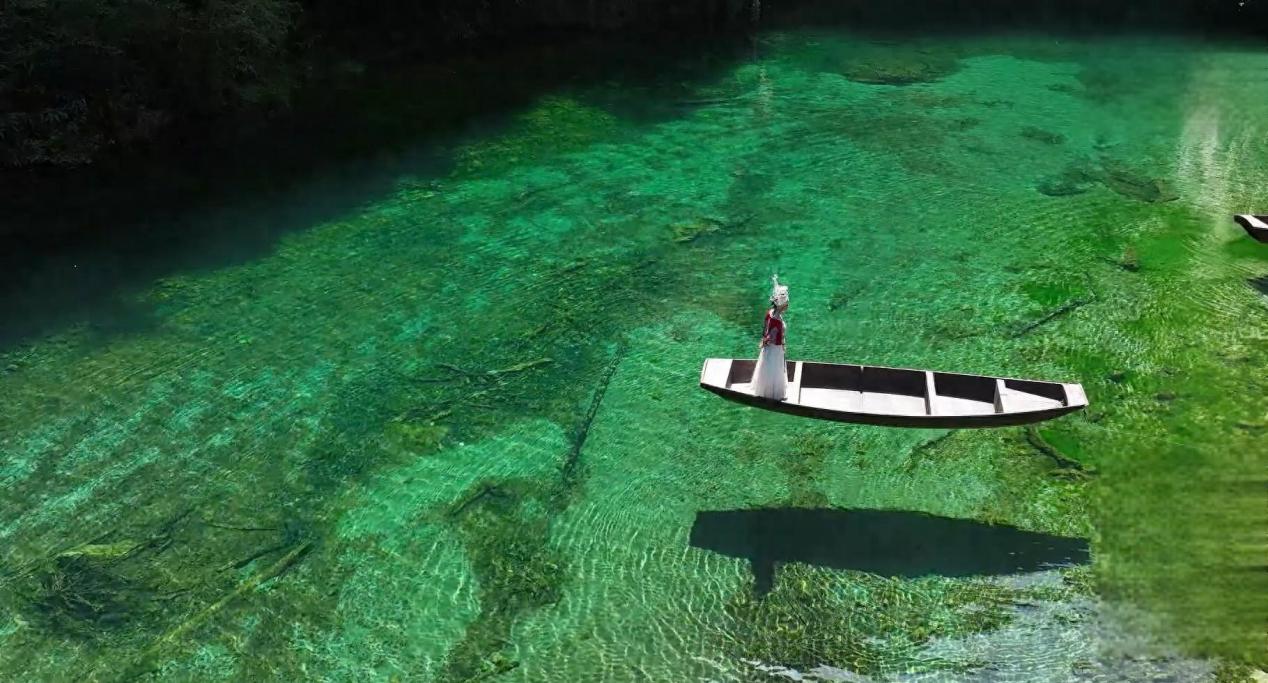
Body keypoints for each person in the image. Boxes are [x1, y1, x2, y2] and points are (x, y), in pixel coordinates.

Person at [752, 274, 789, 400]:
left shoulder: (770, 313)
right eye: (786, 303)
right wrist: (783, 345)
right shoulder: (778, 320)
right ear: (781, 305)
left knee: (766, 368)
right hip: (775, 349)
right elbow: (774, 337)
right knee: (775, 370)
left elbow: (765, 329)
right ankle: (774, 394)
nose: (787, 305)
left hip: (768, 348)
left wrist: (764, 340)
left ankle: (764, 390)